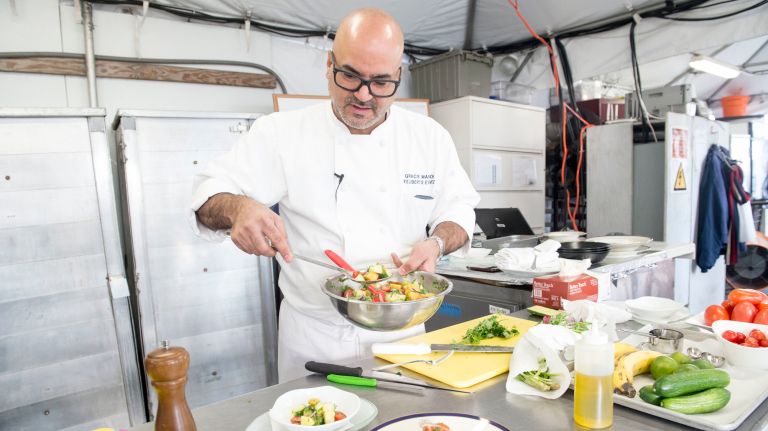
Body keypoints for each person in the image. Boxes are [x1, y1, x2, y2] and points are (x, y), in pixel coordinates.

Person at [190, 8, 480, 382]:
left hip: (403, 336)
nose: (363, 95)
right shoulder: (282, 133)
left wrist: (438, 242)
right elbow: (206, 198)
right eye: (350, 76)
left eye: (380, 83)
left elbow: (459, 209)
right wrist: (239, 208)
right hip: (315, 336)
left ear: (398, 76)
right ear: (329, 65)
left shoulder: (429, 138)